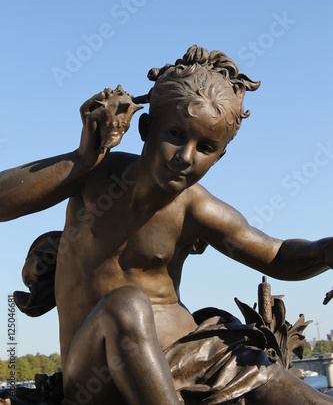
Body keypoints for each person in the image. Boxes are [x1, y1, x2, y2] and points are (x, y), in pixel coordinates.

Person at [0, 45, 332, 405]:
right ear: (147, 128)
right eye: (175, 134)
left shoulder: (195, 208)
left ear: (220, 156)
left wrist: (327, 251)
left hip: (191, 357)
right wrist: (82, 159)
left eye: (205, 147)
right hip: (96, 375)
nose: (185, 157)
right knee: (125, 306)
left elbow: (277, 254)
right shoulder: (97, 177)